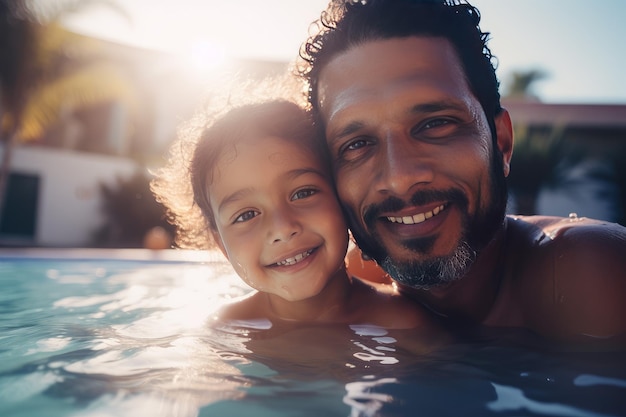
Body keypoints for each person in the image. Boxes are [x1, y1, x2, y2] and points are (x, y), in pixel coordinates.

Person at [296, 0, 626, 347]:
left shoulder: (586, 275)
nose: (400, 177)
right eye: (357, 143)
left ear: (501, 142)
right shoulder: (343, 288)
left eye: (435, 124)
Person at [151, 97, 441, 334]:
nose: (282, 228)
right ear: (221, 245)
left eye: (302, 193)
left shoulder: (406, 325)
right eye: (246, 215)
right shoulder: (225, 329)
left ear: (341, 197)